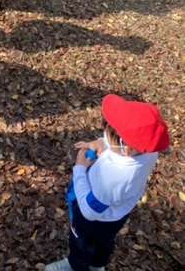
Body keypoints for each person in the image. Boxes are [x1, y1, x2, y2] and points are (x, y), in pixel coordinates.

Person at [45, 94, 170, 271]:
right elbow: (119, 145)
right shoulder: (148, 149)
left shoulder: (116, 176)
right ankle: (98, 265)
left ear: (125, 147)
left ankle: (75, 265)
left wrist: (80, 168)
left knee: (81, 240)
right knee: (104, 242)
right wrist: (100, 143)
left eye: (107, 133)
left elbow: (90, 211)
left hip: (94, 216)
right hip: (115, 215)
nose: (104, 133)